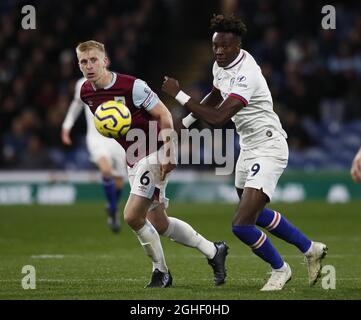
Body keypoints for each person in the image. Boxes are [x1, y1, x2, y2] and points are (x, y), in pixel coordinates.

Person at [162, 14, 327, 291]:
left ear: (238, 45)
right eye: (215, 46)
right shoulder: (220, 66)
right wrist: (184, 124)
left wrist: (179, 95)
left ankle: (280, 269)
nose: (218, 52)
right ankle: (310, 249)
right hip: (248, 147)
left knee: (241, 225)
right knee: (256, 215)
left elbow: (217, 118)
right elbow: (214, 96)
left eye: (224, 47)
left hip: (269, 147)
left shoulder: (247, 74)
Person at [75, 40, 228, 288]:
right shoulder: (86, 92)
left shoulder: (133, 86)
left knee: (132, 216)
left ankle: (161, 273)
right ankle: (214, 251)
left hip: (155, 150)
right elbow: (112, 126)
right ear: (79, 65)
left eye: (94, 60)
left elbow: (164, 114)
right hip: (133, 157)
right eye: (84, 61)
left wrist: (168, 151)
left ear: (105, 61)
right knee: (159, 222)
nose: (89, 65)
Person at [62, 77, 127, 233]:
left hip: (116, 138)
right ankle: (112, 208)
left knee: (119, 181)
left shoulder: (118, 83)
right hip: (96, 137)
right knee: (106, 170)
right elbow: (76, 105)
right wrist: (66, 126)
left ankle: (113, 209)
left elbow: (125, 109)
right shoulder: (81, 84)